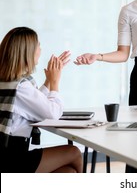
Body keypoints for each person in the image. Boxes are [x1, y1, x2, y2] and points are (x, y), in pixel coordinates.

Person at [0, 27, 82, 173]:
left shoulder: (8, 83)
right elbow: (52, 114)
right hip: (12, 160)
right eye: (38, 45)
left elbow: (31, 103)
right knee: (74, 152)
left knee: (68, 172)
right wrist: (55, 83)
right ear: (27, 52)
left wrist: (48, 81)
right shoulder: (20, 87)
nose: (40, 49)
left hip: (7, 156)